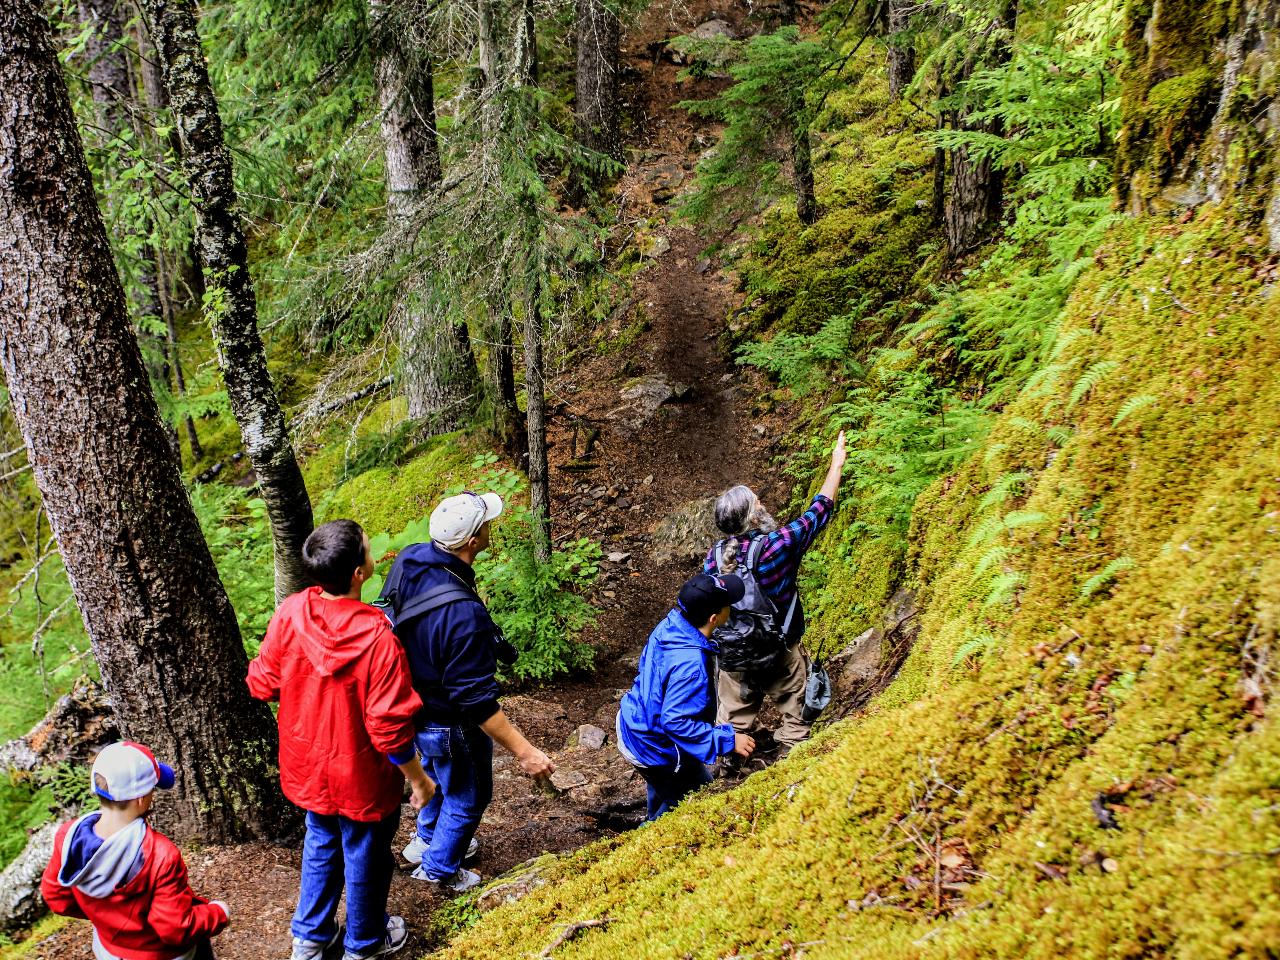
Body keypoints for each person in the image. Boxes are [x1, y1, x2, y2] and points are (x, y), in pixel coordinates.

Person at [247, 520, 435, 960]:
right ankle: (364, 944)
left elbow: (262, 682)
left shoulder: (292, 612)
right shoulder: (377, 636)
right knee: (366, 851)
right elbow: (388, 727)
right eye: (368, 548)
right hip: (362, 774)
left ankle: (311, 939)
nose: (372, 552)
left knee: (321, 840)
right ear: (359, 572)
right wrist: (420, 780)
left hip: (307, 764)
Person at [386, 492, 555, 894]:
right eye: (485, 525)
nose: (489, 527)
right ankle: (439, 869)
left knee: (442, 776)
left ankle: (426, 840)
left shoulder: (411, 560)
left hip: (413, 707)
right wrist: (525, 751)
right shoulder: (464, 616)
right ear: (472, 542)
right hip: (449, 721)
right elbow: (475, 701)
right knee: (468, 795)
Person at [705, 430, 847, 765]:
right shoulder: (774, 548)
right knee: (798, 709)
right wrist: (837, 463)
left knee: (731, 715)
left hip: (734, 658)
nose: (763, 504)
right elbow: (818, 512)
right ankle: (790, 758)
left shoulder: (713, 556)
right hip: (779, 651)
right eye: (758, 502)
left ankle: (726, 763)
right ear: (752, 516)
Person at [41, 740, 230, 960]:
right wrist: (218, 913)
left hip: (108, 950)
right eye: (152, 789)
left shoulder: (68, 837)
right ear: (141, 799)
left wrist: (108, 919)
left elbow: (57, 899)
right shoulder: (161, 855)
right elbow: (175, 928)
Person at [616, 573, 757, 820]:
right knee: (696, 799)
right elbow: (675, 722)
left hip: (636, 724)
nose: (731, 609)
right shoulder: (690, 666)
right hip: (654, 746)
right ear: (714, 618)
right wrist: (727, 741)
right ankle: (645, 844)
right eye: (728, 606)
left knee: (663, 786)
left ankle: (653, 814)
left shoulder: (671, 625)